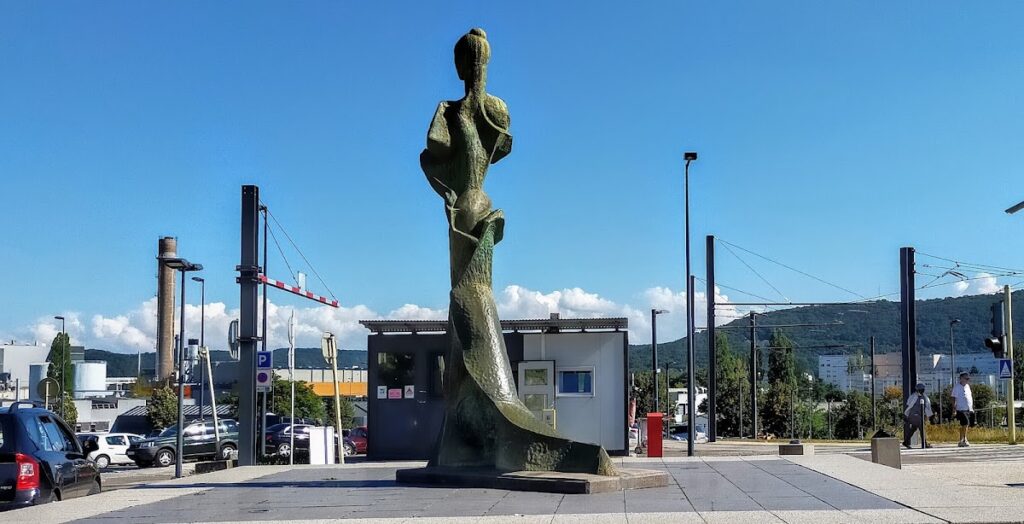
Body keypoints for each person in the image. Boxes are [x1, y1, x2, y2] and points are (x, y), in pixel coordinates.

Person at [903, 383, 933, 449]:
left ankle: (906, 441)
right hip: (914, 415)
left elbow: (927, 408)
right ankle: (924, 443)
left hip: (919, 416)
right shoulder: (913, 396)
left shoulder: (924, 397)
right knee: (921, 427)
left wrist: (926, 417)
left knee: (914, 428)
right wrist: (905, 415)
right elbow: (908, 406)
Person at [951, 372, 974, 447]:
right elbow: (953, 398)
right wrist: (954, 409)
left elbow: (969, 397)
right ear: (961, 379)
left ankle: (961, 440)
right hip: (960, 409)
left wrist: (971, 408)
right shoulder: (957, 387)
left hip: (968, 408)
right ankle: (965, 439)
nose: (967, 380)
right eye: (966, 378)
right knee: (966, 423)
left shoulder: (967, 386)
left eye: (968, 379)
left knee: (964, 425)